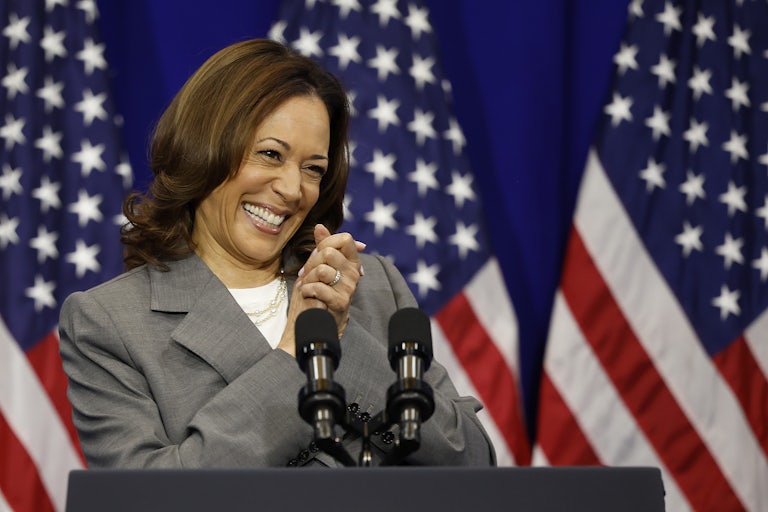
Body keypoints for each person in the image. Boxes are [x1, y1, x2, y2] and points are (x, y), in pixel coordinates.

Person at [58, 38, 495, 468]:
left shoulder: (374, 287)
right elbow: (149, 500)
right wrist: (296, 357)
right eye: (270, 154)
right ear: (204, 148)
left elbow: (472, 461)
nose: (291, 189)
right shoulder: (110, 323)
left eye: (313, 169)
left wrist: (342, 340)